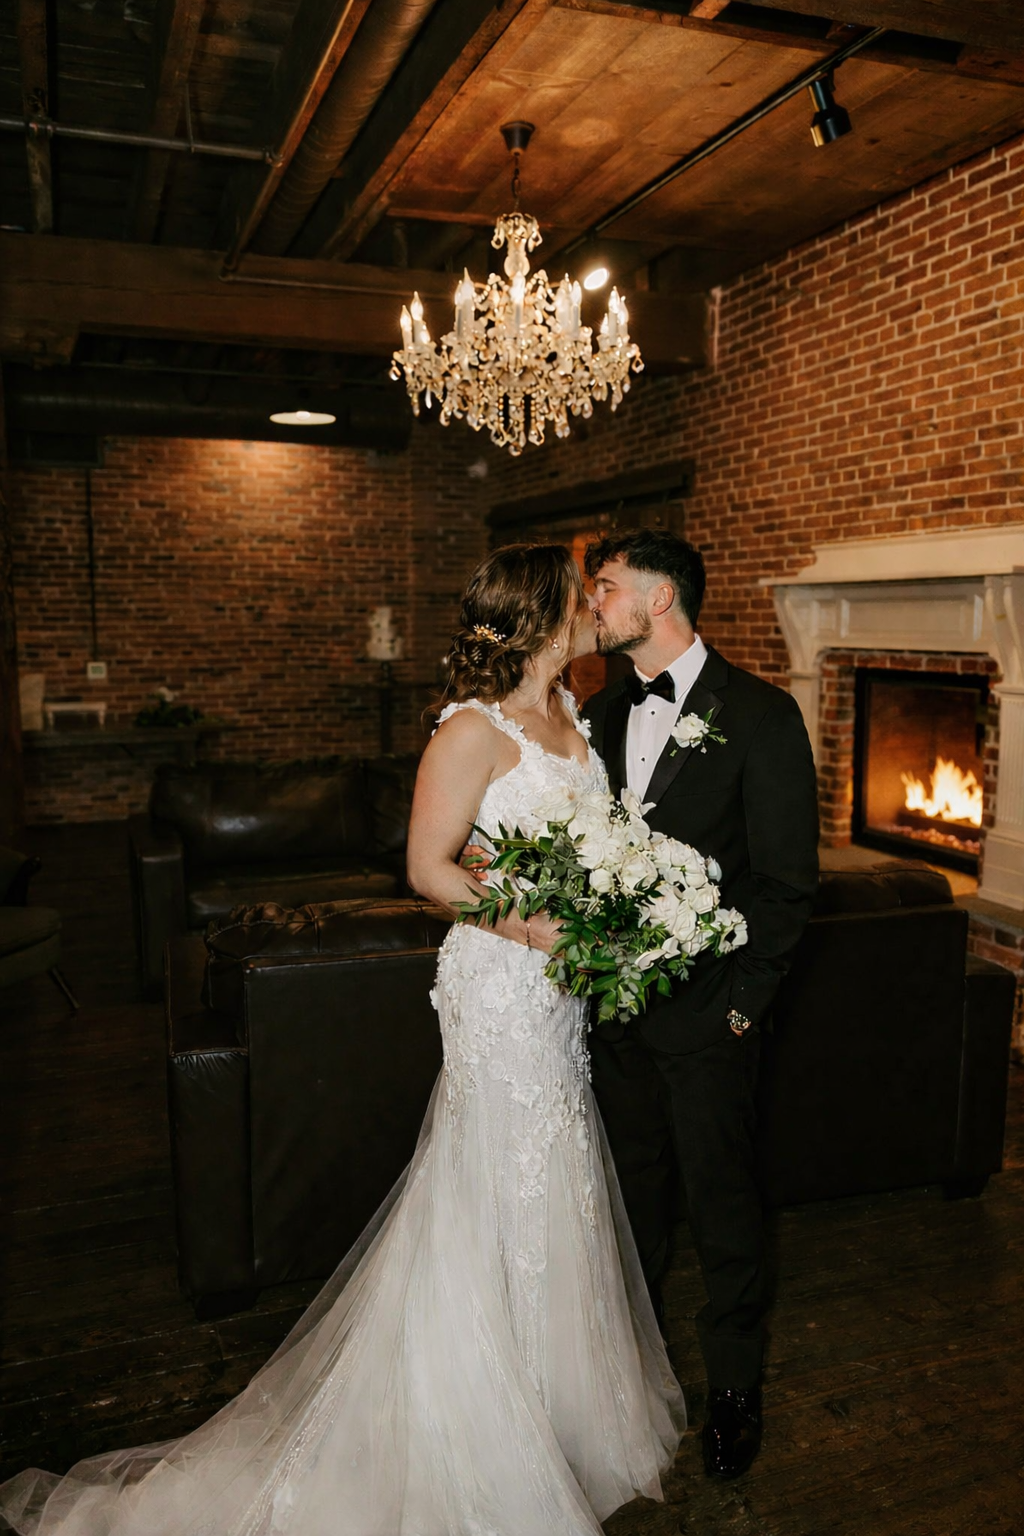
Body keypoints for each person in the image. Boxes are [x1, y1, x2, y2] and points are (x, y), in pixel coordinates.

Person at [0, 543, 684, 1536]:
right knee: (500, 1173)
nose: (593, 610)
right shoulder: (471, 729)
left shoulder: (569, 711)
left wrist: (602, 908)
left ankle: (553, 1402)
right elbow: (427, 869)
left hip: (559, 993)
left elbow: (564, 848)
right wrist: (536, 923)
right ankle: (477, 1418)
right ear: (538, 616)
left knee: (557, 1171)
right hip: (500, 985)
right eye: (578, 598)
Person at [581, 527, 819, 1482]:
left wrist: (742, 1009)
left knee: (722, 1202)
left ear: (660, 600)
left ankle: (733, 1388)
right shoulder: (600, 712)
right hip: (609, 1014)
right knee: (628, 1199)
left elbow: (788, 881)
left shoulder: (760, 716)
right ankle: (627, 1370)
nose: (593, 604)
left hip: (709, 1013)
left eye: (605, 588)